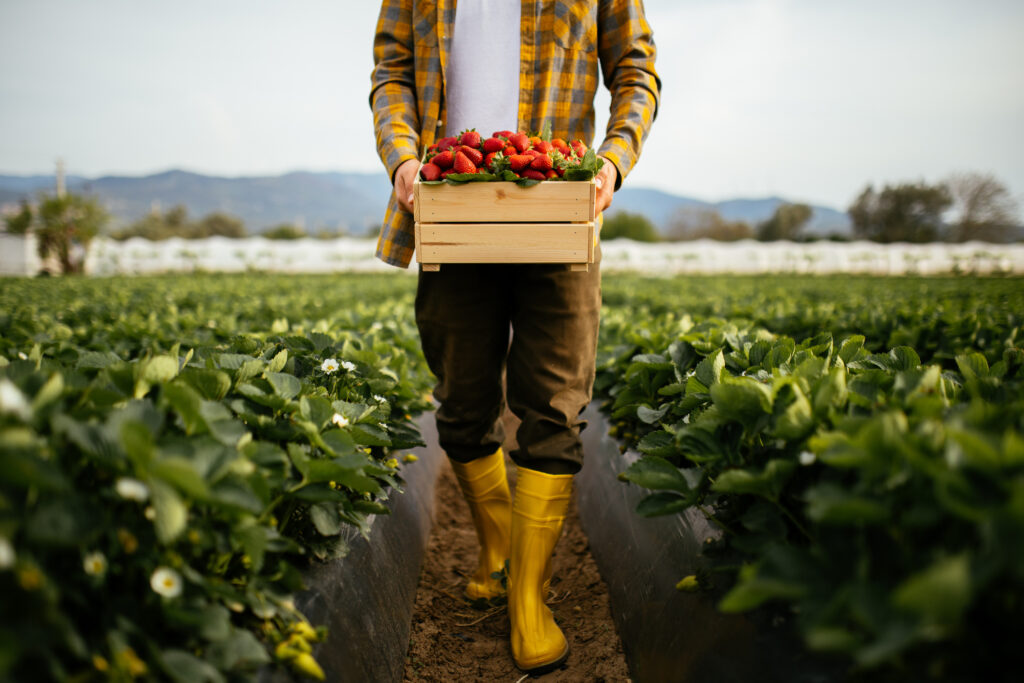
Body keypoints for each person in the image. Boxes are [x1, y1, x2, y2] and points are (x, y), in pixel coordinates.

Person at [369, 0, 659, 673]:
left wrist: (611, 163)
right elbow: (392, 72)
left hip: (557, 203)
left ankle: (528, 596)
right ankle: (497, 545)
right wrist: (404, 160)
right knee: (464, 403)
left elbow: (636, 70)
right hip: (451, 201)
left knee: (554, 407)